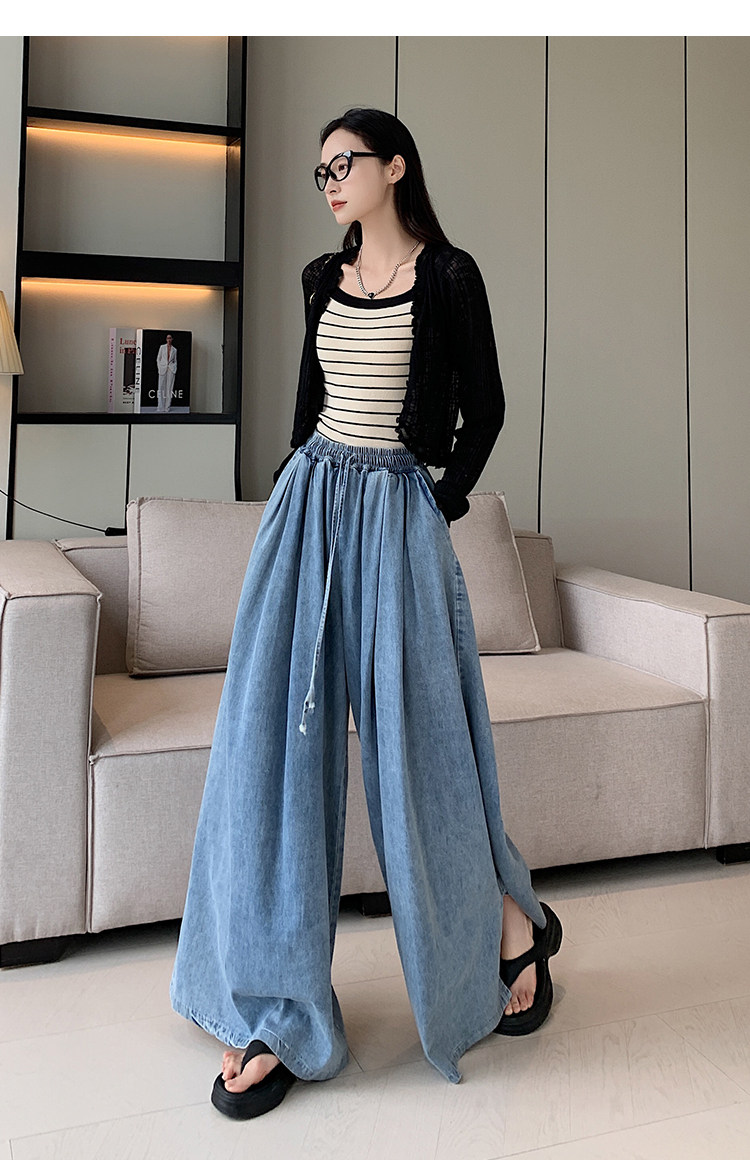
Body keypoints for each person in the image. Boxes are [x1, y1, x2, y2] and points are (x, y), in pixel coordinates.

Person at [169, 107, 562, 1122]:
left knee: (425, 757)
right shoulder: (321, 278)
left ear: (396, 167)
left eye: (344, 163)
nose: (331, 181)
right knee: (271, 757)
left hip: (398, 517)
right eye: (321, 171)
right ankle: (276, 1009)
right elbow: (309, 408)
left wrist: (436, 499)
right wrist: (289, 502)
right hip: (307, 514)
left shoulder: (451, 276)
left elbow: (488, 407)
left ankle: (510, 927)